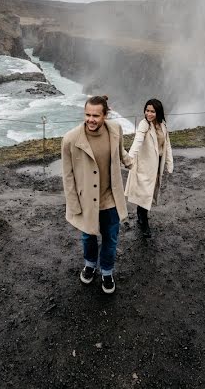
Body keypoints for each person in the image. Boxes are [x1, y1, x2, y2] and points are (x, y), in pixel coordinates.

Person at [61, 95, 134, 294]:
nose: (91, 119)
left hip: (110, 197)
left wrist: (133, 164)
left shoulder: (115, 130)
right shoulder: (70, 139)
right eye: (87, 115)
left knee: (111, 238)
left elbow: (120, 152)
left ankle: (107, 272)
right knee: (88, 237)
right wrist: (73, 204)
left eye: (95, 115)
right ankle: (90, 264)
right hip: (86, 200)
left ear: (105, 115)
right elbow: (67, 176)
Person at [125, 98, 173, 238]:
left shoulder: (163, 125)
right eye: (147, 110)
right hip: (145, 165)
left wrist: (169, 163)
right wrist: (128, 159)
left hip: (157, 163)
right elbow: (137, 142)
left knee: (149, 192)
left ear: (158, 112)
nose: (149, 114)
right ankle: (143, 221)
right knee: (145, 193)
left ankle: (141, 215)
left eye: (152, 111)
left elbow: (167, 145)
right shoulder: (144, 124)